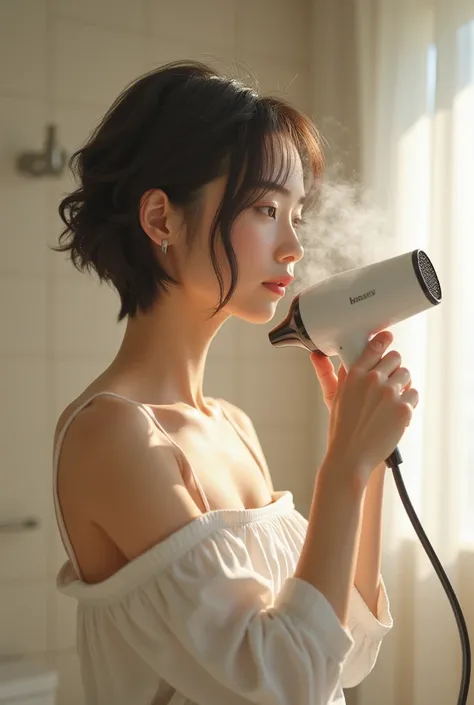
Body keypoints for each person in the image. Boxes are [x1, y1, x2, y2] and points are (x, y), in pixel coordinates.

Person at [52, 62, 418, 705]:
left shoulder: (232, 427)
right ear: (161, 219)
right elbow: (287, 685)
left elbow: (347, 654)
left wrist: (366, 459)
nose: (293, 247)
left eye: (297, 213)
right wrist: (342, 468)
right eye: (265, 208)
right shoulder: (112, 434)